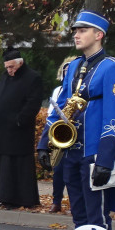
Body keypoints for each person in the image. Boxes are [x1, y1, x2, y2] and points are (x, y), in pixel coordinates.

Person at [37, 10, 115, 229]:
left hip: (94, 153)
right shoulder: (74, 66)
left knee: (98, 219)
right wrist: (44, 143)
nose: (76, 35)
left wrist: (105, 158)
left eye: (83, 31)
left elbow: (114, 117)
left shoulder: (111, 67)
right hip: (71, 152)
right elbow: (60, 107)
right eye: (75, 31)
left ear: (98, 35)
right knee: (79, 218)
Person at [0, 47, 43, 210]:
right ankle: (3, 197)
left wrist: (20, 120)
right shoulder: (5, 76)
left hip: (18, 131)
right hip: (1, 128)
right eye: (7, 68)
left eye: (12, 67)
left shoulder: (32, 77)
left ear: (20, 63)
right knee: (3, 166)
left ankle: (22, 199)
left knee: (19, 166)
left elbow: (33, 103)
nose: (9, 71)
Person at [47, 59, 75, 213]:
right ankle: (56, 200)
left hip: (73, 134)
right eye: (65, 70)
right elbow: (52, 112)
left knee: (72, 172)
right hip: (60, 134)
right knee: (58, 170)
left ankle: (73, 202)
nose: (66, 73)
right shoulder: (58, 90)